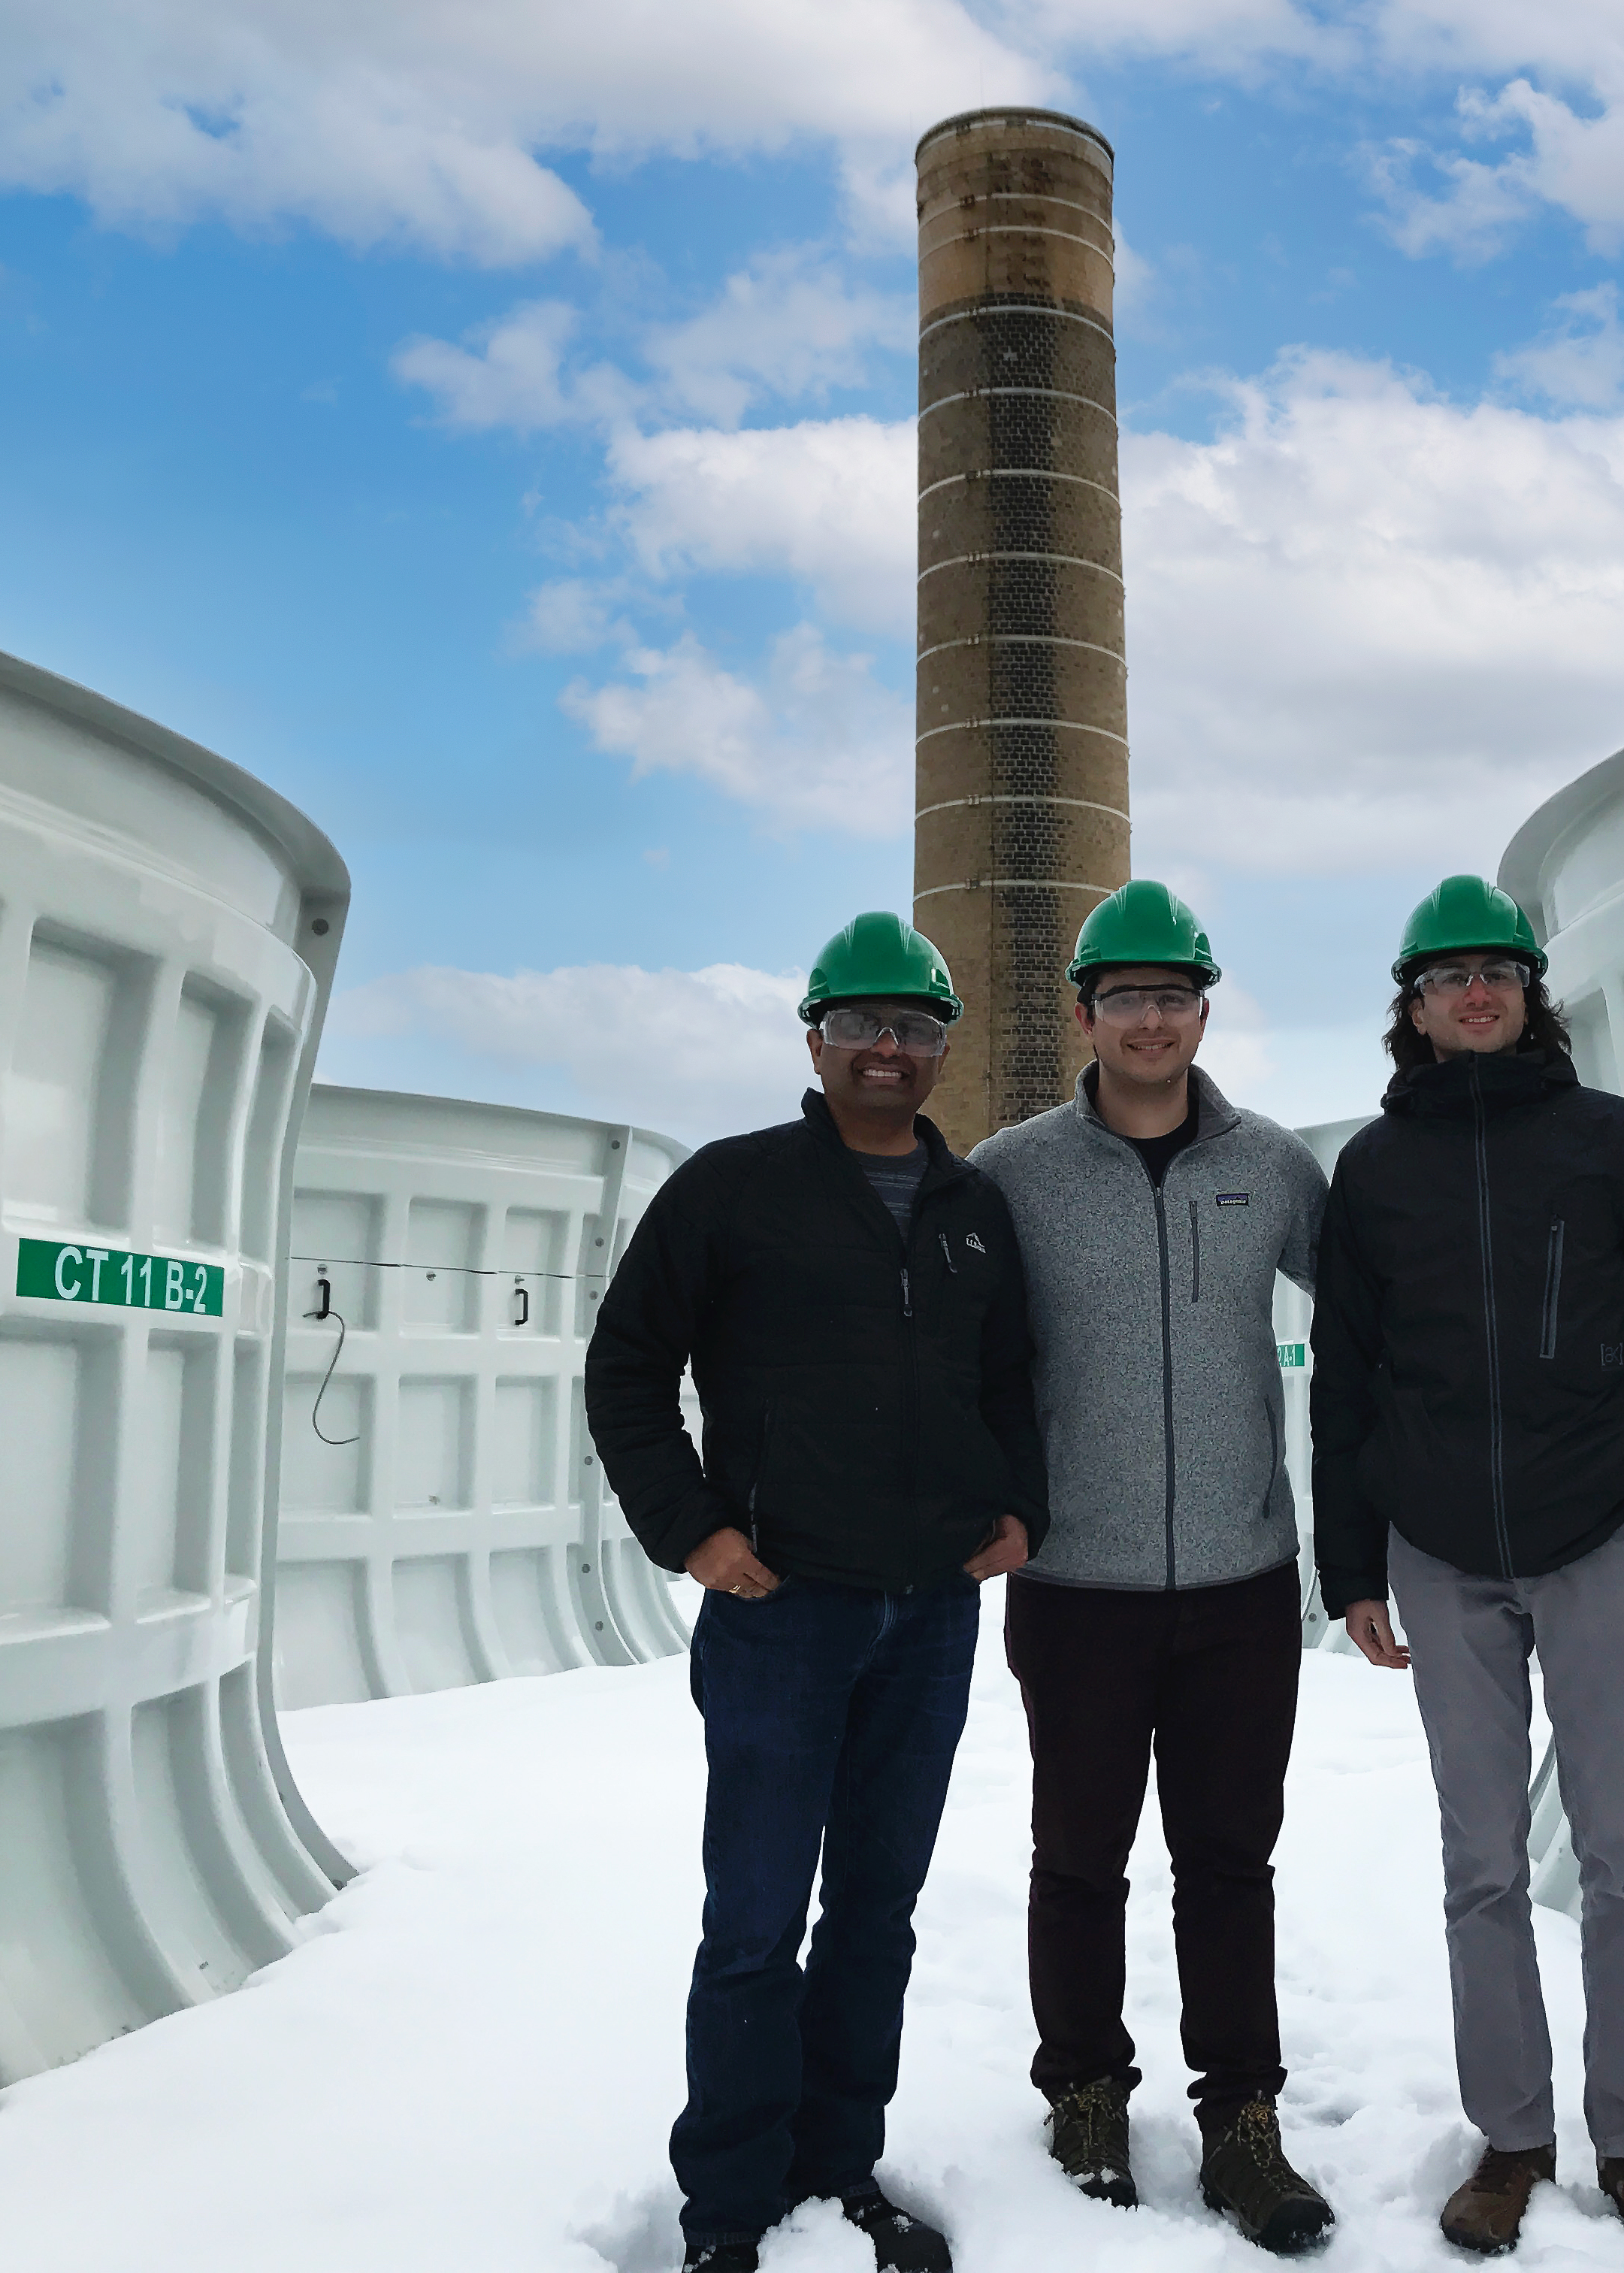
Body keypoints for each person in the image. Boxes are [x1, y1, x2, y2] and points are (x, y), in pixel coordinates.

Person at [586, 912, 1045, 2273]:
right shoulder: (735, 1190)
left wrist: (1019, 1511)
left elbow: (1010, 1381)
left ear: (944, 1046)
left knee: (876, 1914)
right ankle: (727, 2206)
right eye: (861, 1026)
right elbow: (625, 1369)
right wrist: (694, 1535)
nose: (888, 1049)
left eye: (911, 1028)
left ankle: (841, 2167)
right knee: (753, 1921)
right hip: (784, 1610)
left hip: (932, 1614)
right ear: (816, 1039)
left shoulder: (976, 1212)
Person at [1309, 873, 1624, 2256]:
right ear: (1416, 1011)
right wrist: (1353, 1568)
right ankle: (1509, 2139)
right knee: (1482, 1861)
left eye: (1497, 971)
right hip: (1440, 1553)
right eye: (1449, 979)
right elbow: (1345, 1382)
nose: (1476, 992)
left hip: (1604, 1538)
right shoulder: (1375, 1171)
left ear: (1527, 995)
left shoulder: (1617, 1144)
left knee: (1620, 1855)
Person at [968, 880, 1337, 2255]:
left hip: (1241, 1581)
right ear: (1086, 1013)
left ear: (1202, 1008)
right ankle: (1084, 2091)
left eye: (1173, 996)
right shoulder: (1014, 1173)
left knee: (1230, 1861)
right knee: (1079, 1857)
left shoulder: (1277, 1168)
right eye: (1125, 998)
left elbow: (1381, 1318)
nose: (1151, 1020)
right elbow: (954, 1352)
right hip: (1075, 1587)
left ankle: (1242, 2116)